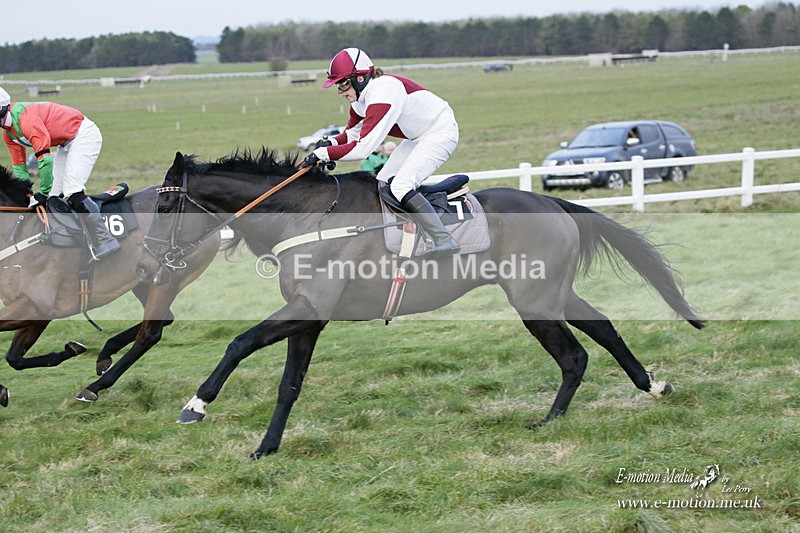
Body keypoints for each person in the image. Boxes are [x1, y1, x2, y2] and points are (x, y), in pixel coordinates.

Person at [303, 48, 460, 258]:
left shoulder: (383, 93)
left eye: (343, 83)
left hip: (440, 133)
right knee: (382, 183)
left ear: (360, 78)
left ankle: (444, 239)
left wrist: (324, 154)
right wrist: (327, 143)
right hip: (415, 137)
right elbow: (351, 135)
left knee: (401, 185)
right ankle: (400, 234)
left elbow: (363, 148)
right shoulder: (360, 99)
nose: (340, 90)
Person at [0, 86, 119, 260]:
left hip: (83, 135)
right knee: (54, 198)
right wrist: (25, 195)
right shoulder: (8, 133)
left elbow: (45, 160)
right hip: (64, 143)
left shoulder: (26, 119)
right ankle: (72, 241)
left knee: (72, 190)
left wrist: (43, 192)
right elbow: (19, 167)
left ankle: (104, 239)